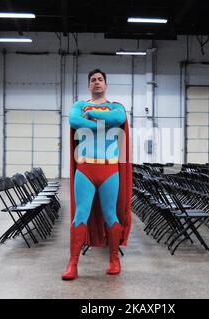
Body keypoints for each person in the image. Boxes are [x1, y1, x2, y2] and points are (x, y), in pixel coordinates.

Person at [62, 69, 132, 280]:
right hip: (85, 169)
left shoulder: (116, 107)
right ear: (89, 85)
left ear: (106, 84)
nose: (97, 82)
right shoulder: (79, 105)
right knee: (80, 214)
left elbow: (119, 118)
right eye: (93, 80)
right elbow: (74, 121)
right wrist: (102, 124)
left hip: (109, 169)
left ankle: (114, 260)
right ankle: (72, 264)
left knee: (111, 214)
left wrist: (92, 115)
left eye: (100, 79)